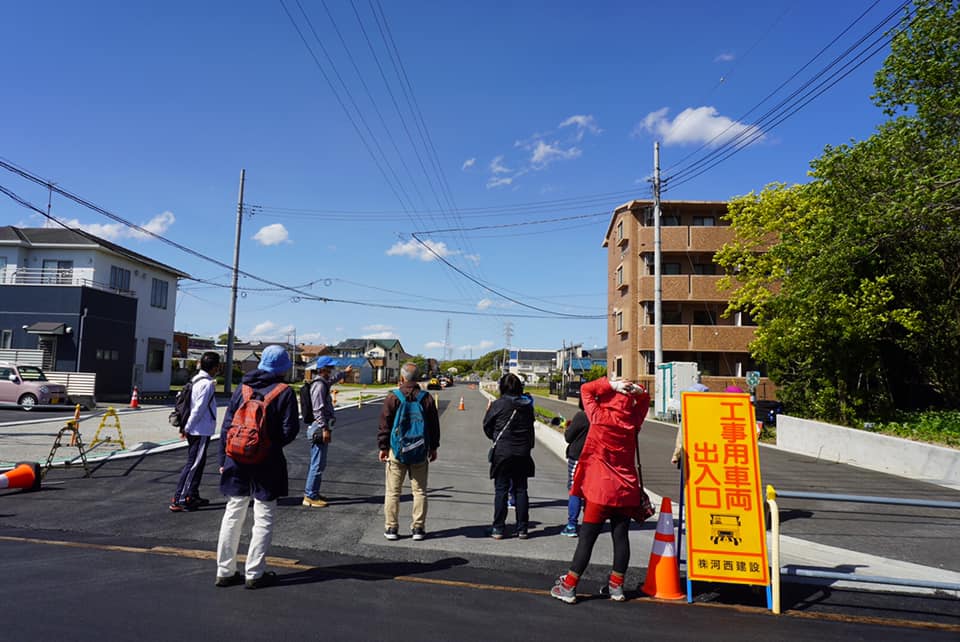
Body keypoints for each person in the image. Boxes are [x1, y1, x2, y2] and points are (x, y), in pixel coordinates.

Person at [551, 376, 651, 604]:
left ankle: (569, 586)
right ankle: (617, 587)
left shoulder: (598, 416)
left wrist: (610, 384)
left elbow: (586, 389)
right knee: (621, 536)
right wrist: (638, 390)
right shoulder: (632, 420)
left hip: (599, 489)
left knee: (587, 539)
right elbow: (645, 401)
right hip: (626, 488)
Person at [215, 345, 299, 589]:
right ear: (283, 368)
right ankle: (254, 573)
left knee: (233, 511)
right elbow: (289, 431)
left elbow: (227, 426)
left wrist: (223, 459)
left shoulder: (242, 388)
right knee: (263, 514)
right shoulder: (284, 392)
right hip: (267, 461)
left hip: (236, 457)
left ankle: (225, 570)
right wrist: (267, 445)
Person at [377, 362, 440, 541]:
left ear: (402, 377)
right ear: (418, 378)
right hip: (420, 451)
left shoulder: (393, 397)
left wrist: (383, 447)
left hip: (397, 451)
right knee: (419, 491)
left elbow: (385, 425)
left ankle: (391, 528)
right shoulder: (426, 398)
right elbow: (434, 426)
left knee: (393, 492)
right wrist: (433, 447)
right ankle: (418, 528)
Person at [482, 373, 535, 539]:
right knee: (521, 490)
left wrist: (496, 436)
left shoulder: (498, 405)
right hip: (523, 452)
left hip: (503, 452)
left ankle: (498, 528)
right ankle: (522, 529)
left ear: (502, 387)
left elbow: (487, 426)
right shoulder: (527, 406)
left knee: (501, 490)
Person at [170, 351, 221, 512]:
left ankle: (192, 494)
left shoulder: (195, 379)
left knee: (198, 463)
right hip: (200, 430)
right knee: (193, 464)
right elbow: (198, 409)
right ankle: (180, 498)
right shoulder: (206, 384)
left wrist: (185, 427)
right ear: (215, 367)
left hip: (196, 429)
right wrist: (187, 428)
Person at [302, 356, 352, 507]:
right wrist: (324, 428)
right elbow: (318, 409)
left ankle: (313, 492)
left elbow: (332, 380)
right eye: (330, 368)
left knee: (319, 463)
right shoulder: (319, 385)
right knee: (317, 464)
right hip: (319, 427)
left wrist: (344, 373)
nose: (332, 370)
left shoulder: (323, 382)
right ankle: (310, 496)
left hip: (320, 426)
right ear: (323, 369)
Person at [561, 397, 590, 536]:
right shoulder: (600, 416)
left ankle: (572, 525)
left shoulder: (582, 415)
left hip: (578, 457)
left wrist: (567, 428)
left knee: (575, 490)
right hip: (595, 459)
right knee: (590, 492)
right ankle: (589, 524)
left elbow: (569, 437)